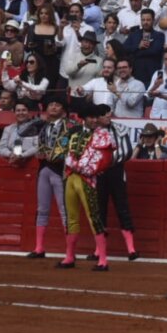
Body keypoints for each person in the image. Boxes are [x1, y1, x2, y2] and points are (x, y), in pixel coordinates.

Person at [58, 102, 116, 270]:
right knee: (71, 218)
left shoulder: (103, 135)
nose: (94, 120)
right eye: (91, 117)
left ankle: (103, 260)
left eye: (96, 117)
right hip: (70, 178)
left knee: (94, 218)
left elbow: (104, 160)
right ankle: (69, 257)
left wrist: (79, 166)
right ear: (83, 118)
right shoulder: (72, 132)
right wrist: (69, 161)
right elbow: (61, 149)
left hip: (89, 180)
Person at [27, 96, 72, 259]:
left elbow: (68, 147)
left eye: (57, 104)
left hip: (61, 170)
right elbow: (22, 132)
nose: (53, 107)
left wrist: (54, 156)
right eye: (50, 104)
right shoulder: (42, 125)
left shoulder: (70, 126)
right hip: (44, 169)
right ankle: (39, 247)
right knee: (42, 209)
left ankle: (70, 251)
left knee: (64, 210)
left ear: (64, 111)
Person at [95, 104, 139, 260]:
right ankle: (99, 250)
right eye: (104, 114)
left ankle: (131, 249)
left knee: (122, 207)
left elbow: (126, 152)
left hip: (116, 171)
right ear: (97, 118)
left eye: (108, 113)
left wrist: (104, 161)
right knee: (99, 210)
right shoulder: (93, 131)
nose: (108, 116)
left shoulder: (119, 129)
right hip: (98, 173)